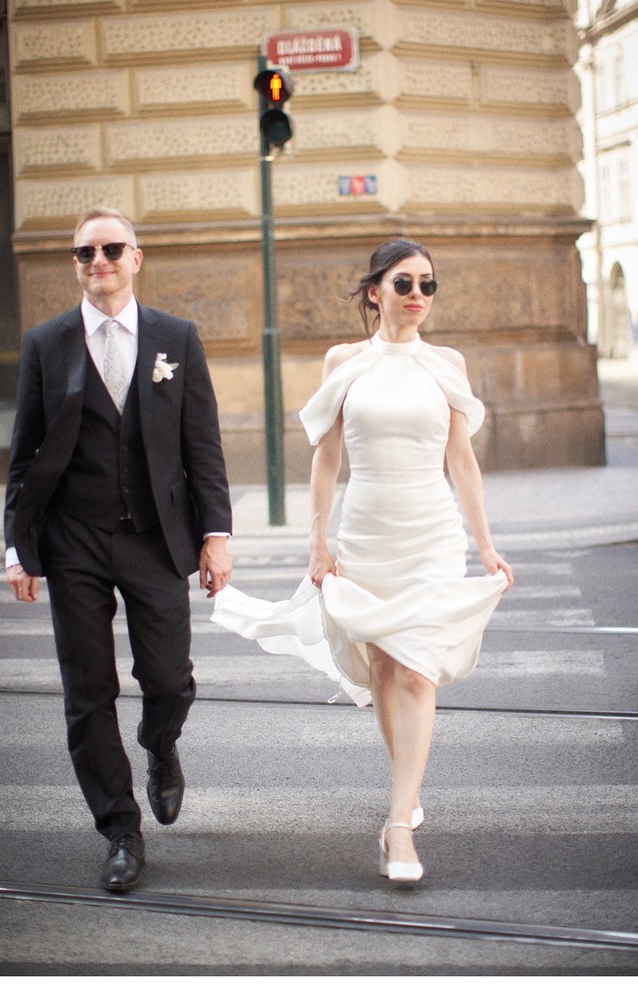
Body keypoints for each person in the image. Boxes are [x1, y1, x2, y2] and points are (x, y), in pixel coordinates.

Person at [213, 238, 513, 884]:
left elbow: (461, 460)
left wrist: (484, 543)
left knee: (414, 673)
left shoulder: (446, 364)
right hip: (367, 531)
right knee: (381, 663)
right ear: (373, 291)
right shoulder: (344, 361)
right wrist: (317, 542)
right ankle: (406, 788)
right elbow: (326, 458)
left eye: (427, 286)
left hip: (430, 534)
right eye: (403, 284)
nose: (416, 297)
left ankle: (397, 823)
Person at [4, 206, 232, 893]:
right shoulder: (45, 344)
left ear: (136, 257)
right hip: (72, 538)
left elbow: (203, 445)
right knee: (87, 691)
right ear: (74, 265)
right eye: (84, 252)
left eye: (110, 248)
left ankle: (160, 745)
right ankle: (120, 831)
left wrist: (216, 535)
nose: (97, 260)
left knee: (167, 678)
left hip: (156, 536)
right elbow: (23, 457)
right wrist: (19, 548)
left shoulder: (175, 338)